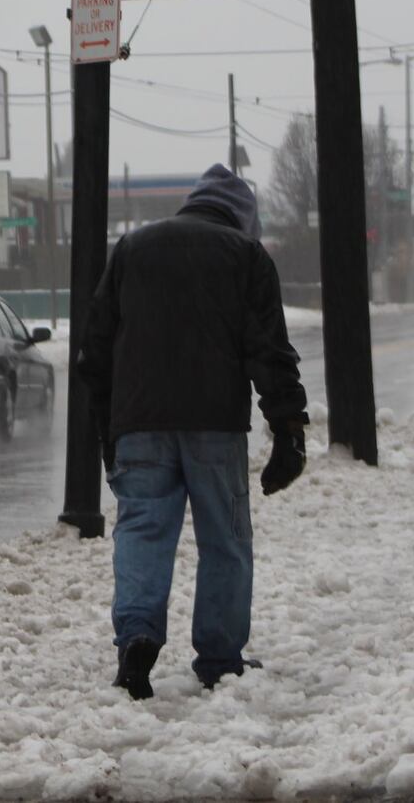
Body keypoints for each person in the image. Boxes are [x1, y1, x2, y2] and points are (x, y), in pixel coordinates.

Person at [79, 163, 308, 700]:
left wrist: (108, 428)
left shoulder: (131, 250)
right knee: (225, 541)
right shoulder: (246, 256)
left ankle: (136, 639)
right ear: (242, 218)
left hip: (138, 424)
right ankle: (220, 659)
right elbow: (269, 352)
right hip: (215, 426)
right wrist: (288, 429)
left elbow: (96, 348)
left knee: (141, 531)